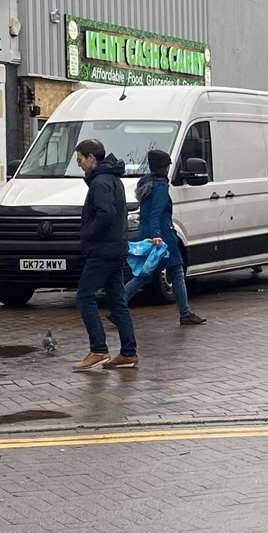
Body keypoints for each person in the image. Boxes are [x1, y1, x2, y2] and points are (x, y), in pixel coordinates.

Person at [72, 139, 138, 370]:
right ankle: (128, 352)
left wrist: (87, 234)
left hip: (102, 250)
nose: (79, 164)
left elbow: (105, 215)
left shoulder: (99, 182)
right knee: (118, 301)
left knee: (84, 297)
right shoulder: (113, 178)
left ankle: (98, 349)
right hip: (116, 248)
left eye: (80, 159)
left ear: (91, 158)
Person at [122, 149, 203, 325]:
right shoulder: (160, 186)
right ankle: (185, 313)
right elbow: (156, 213)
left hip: (146, 233)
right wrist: (157, 235)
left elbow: (147, 213)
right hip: (163, 236)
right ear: (164, 167)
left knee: (144, 274)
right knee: (177, 271)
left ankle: (118, 306)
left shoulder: (144, 183)